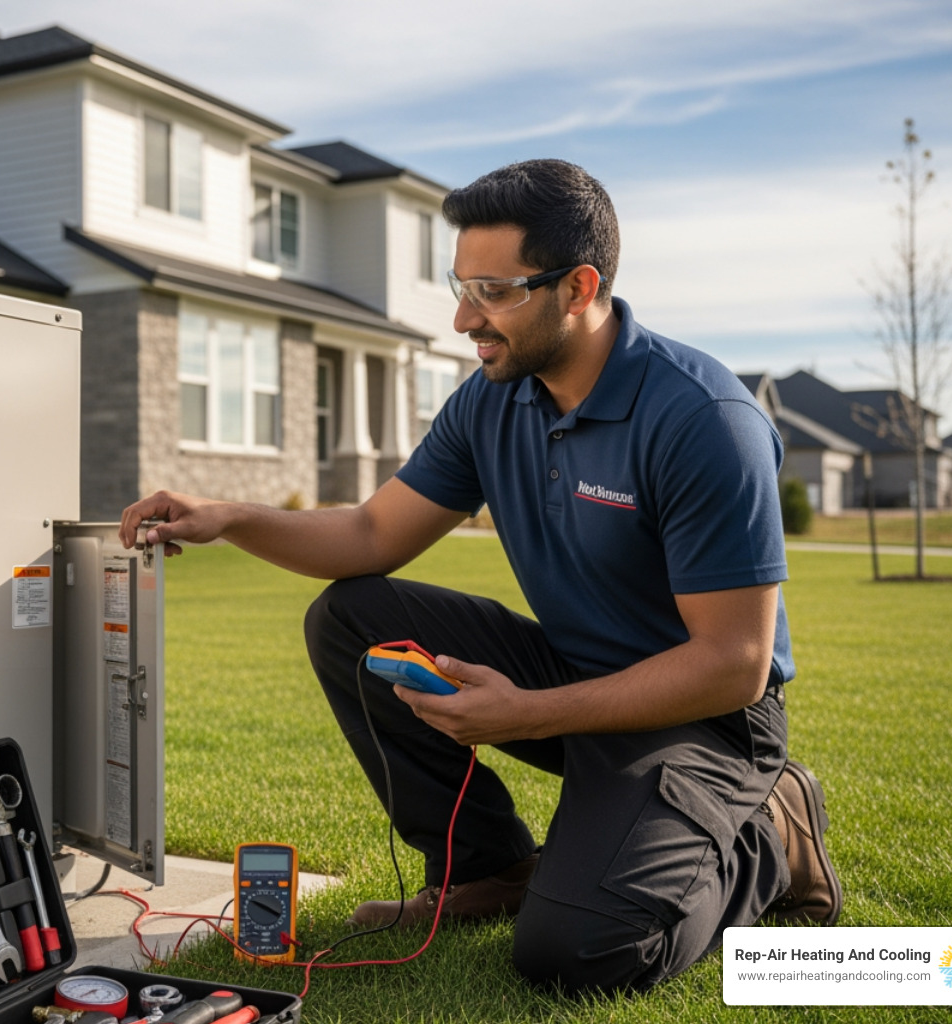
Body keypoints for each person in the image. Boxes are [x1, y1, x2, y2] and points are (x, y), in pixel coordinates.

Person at [118, 158, 841, 992]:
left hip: (707, 721)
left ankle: (771, 836)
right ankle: (487, 869)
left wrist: (528, 715)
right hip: (577, 678)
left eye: (494, 291)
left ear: (578, 287)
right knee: (351, 618)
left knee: (577, 956)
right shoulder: (492, 399)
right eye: (461, 288)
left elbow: (732, 664)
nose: (464, 319)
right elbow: (368, 533)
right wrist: (231, 518)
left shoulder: (704, 420)